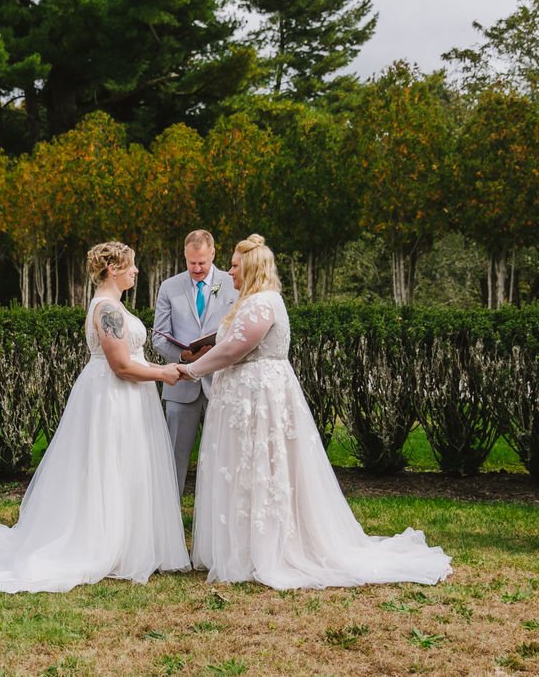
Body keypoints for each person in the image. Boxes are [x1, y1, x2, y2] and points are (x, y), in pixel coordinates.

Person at [179, 235, 452, 589]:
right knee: (241, 469)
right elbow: (227, 343)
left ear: (250, 267)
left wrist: (190, 370)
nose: (228, 271)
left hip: (260, 399)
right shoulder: (250, 302)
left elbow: (234, 349)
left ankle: (266, 550)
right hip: (243, 399)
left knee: (262, 469)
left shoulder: (263, 303)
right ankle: (239, 547)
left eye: (234, 264)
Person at [0, 242, 190, 593]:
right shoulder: (107, 309)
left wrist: (163, 370)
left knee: (128, 466)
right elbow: (122, 366)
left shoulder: (113, 306)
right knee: (109, 466)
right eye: (131, 266)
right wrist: (164, 374)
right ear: (113, 269)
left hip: (128, 396)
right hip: (114, 397)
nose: (136, 271)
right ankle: (107, 546)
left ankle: (131, 544)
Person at [153, 230, 238, 497]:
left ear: (213, 253)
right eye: (192, 263)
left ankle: (220, 514)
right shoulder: (170, 287)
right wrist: (183, 358)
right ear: (185, 257)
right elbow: (158, 336)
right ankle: (170, 520)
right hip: (181, 384)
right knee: (174, 456)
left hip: (222, 381)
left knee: (225, 455)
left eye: (202, 262)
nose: (198, 269)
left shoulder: (231, 283)